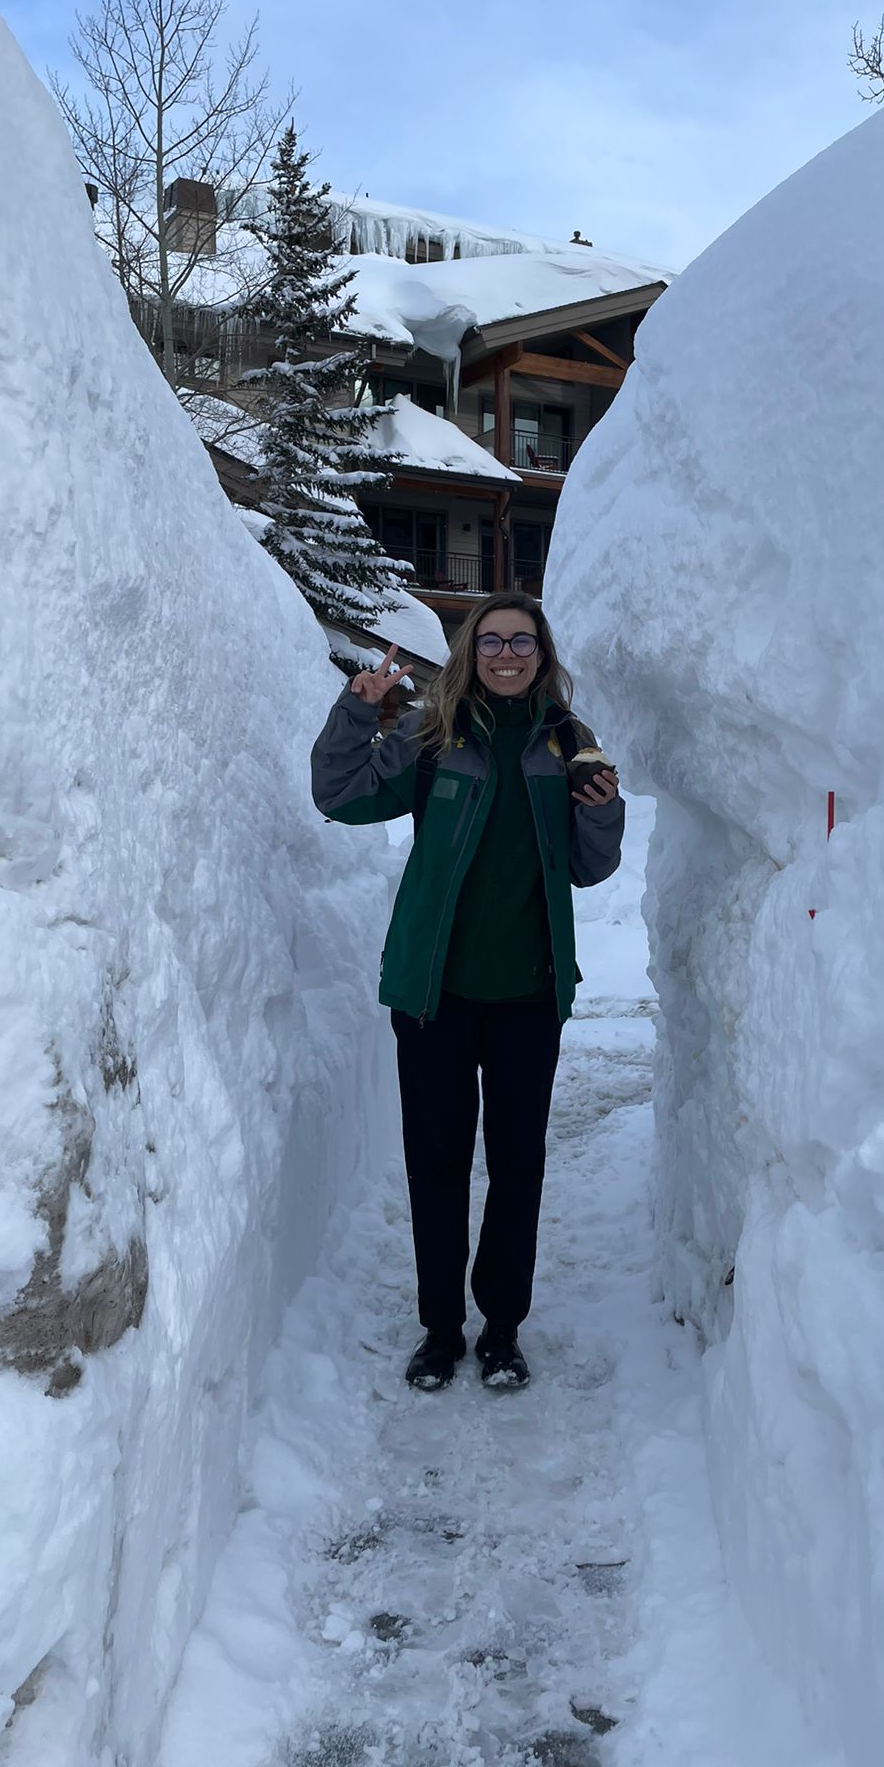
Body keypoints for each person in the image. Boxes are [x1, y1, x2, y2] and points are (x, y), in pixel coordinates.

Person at [310, 591, 624, 1391]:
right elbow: (340, 796)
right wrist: (357, 714)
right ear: (469, 653)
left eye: (522, 640)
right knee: (437, 1164)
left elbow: (590, 868)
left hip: (528, 997)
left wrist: (603, 814)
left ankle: (503, 1330)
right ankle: (441, 1331)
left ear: (543, 653)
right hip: (433, 995)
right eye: (491, 641)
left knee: (518, 1167)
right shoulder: (433, 738)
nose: (506, 654)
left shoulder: (567, 745)